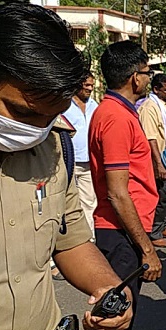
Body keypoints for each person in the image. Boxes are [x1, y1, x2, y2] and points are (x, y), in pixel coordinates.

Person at [0, 1, 132, 330]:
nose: (34, 130)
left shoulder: (52, 144)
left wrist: (108, 288)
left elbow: (69, 238)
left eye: (50, 116)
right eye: (22, 112)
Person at [81, 40, 162, 330]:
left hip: (122, 231)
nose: (148, 78)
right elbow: (118, 191)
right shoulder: (115, 117)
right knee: (113, 319)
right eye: (146, 72)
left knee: (119, 319)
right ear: (135, 77)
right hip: (119, 234)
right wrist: (146, 248)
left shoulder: (116, 111)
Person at [138, 73, 166, 248]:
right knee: (163, 195)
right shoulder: (150, 107)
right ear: (156, 89)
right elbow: (151, 138)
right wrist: (158, 164)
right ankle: (154, 232)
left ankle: (164, 226)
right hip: (160, 158)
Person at [62, 72, 99, 235]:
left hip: (89, 161)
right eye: (86, 86)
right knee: (64, 201)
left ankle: (88, 238)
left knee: (89, 202)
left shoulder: (94, 105)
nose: (90, 89)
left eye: (92, 86)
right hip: (68, 160)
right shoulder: (65, 105)